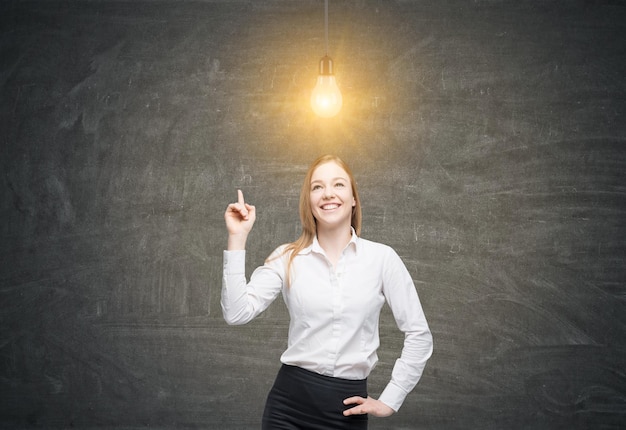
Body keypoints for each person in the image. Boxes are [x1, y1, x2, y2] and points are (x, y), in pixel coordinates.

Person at [222, 154, 433, 429]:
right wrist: (237, 238)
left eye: (338, 185)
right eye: (317, 187)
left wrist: (391, 399)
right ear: (309, 201)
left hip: (345, 412)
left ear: (354, 198)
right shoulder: (287, 257)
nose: (328, 194)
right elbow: (237, 313)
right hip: (287, 408)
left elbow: (419, 335)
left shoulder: (382, 259)